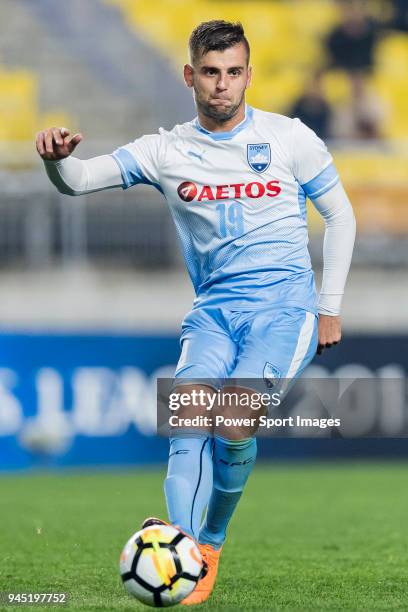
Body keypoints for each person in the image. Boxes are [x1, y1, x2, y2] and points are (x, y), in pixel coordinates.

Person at [36, 20, 356, 605]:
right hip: (211, 313)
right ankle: (178, 554)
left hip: (283, 309)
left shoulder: (290, 138)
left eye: (234, 73)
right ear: (190, 75)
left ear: (249, 75)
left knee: (233, 421)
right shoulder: (166, 150)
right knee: (186, 424)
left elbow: (341, 216)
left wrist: (328, 306)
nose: (222, 85)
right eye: (210, 73)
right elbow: (79, 182)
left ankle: (207, 542)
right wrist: (58, 160)